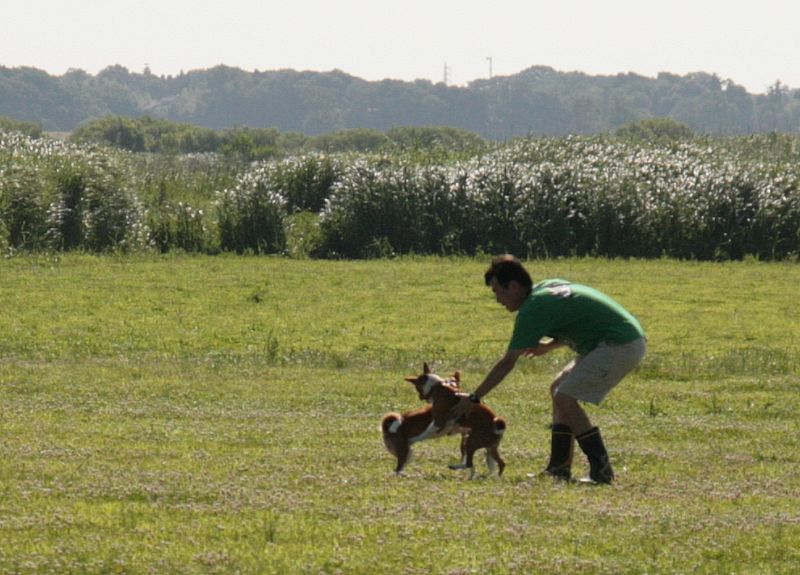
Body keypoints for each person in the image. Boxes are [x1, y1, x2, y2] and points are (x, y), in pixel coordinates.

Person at [450, 255, 646, 484]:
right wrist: (549, 346)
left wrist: (474, 398)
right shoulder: (546, 289)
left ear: (513, 286)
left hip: (620, 344)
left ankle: (601, 471)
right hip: (621, 339)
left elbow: (507, 362)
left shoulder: (532, 308)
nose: (497, 299)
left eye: (497, 291)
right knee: (558, 388)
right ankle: (559, 468)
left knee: (565, 396)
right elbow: (579, 317)